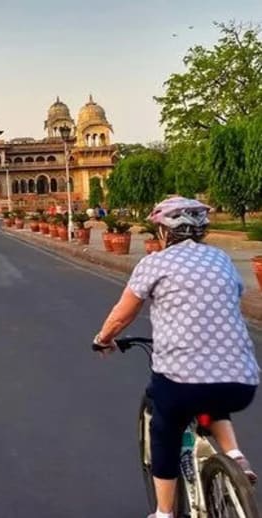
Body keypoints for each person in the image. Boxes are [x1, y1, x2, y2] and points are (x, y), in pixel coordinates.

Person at [93, 197, 259, 518]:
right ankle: (236, 455)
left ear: (164, 231)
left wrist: (103, 339)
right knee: (213, 394)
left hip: (181, 380)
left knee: (165, 431)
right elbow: (233, 295)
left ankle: (165, 512)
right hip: (241, 379)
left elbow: (121, 316)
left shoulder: (155, 263)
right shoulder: (222, 259)